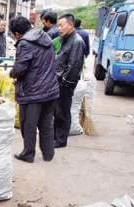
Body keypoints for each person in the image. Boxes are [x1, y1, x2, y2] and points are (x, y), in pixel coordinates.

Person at [9, 16, 59, 163]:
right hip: (50, 89)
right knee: (46, 123)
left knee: (28, 125)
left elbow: (20, 68)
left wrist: (12, 73)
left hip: (33, 92)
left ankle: (28, 154)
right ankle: (48, 154)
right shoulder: (45, 36)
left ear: (17, 33)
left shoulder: (25, 43)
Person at [54, 13, 85, 148]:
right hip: (58, 81)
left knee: (63, 111)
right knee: (57, 111)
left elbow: (74, 66)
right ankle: (56, 137)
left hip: (65, 84)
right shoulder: (65, 39)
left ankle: (61, 140)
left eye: (61, 25)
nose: (59, 29)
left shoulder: (76, 41)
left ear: (71, 25)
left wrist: (65, 83)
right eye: (58, 26)